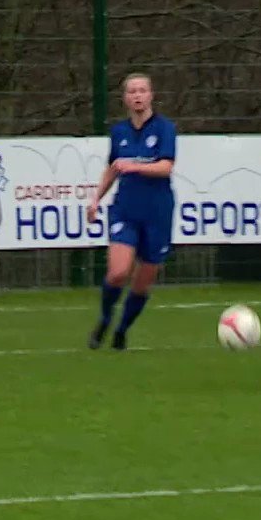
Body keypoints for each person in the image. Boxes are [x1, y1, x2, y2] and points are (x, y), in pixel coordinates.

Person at [86, 73, 176, 351]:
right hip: (125, 210)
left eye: (142, 90)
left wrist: (135, 166)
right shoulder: (119, 133)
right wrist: (95, 199)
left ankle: (122, 331)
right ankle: (104, 319)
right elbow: (114, 168)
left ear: (151, 95)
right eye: (132, 91)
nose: (137, 96)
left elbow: (166, 167)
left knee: (143, 281)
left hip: (157, 212)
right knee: (117, 272)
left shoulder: (164, 128)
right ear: (125, 98)